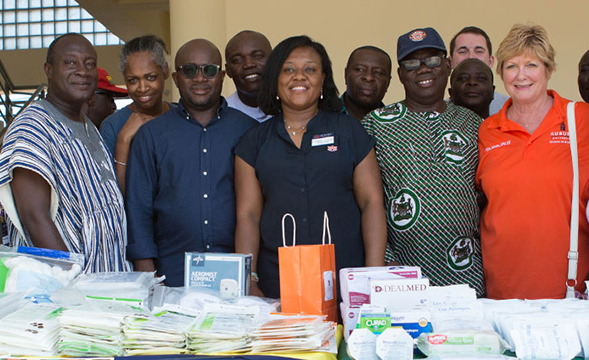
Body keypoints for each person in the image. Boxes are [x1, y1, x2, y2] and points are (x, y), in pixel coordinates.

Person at [234, 35, 387, 298]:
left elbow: (372, 203)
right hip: (277, 283)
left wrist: (372, 277)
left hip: (345, 283)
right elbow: (248, 215)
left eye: (310, 69)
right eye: (289, 69)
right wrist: (249, 279)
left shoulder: (350, 132)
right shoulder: (253, 142)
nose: (299, 77)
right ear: (275, 79)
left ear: (323, 79)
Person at [362, 27, 485, 297]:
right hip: (402, 273)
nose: (423, 69)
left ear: (448, 65)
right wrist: (385, 261)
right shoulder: (374, 124)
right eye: (412, 63)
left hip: (468, 272)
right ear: (400, 74)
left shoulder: (474, 124)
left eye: (432, 60)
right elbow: (365, 201)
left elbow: (488, 198)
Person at [126, 39, 257, 286]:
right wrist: (149, 278)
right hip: (172, 275)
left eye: (209, 70)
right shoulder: (151, 135)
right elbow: (138, 209)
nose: (200, 78)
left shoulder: (249, 131)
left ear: (222, 76)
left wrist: (253, 277)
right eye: (189, 70)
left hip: (237, 274)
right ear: (175, 78)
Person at [0, 33, 130, 273]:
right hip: (66, 292)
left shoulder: (88, 126)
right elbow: (34, 217)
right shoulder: (33, 127)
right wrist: (72, 283)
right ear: (49, 70)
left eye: (90, 64)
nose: (82, 71)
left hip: (105, 285)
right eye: (70, 62)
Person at [476, 24, 589, 299]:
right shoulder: (488, 130)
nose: (521, 75)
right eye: (511, 66)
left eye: (531, 65)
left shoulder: (581, 119)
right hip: (500, 292)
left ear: (549, 70)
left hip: (568, 292)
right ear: (500, 72)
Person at [100, 35, 173, 195]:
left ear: (165, 71)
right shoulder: (113, 126)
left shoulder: (181, 115)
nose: (142, 87)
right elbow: (113, 198)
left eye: (151, 77)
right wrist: (124, 140)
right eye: (133, 80)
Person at [449, 26, 508, 116]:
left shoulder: (509, 109)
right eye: (462, 52)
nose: (471, 57)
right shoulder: (440, 114)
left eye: (479, 51)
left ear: (491, 61)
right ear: (450, 62)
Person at [225, 30, 272, 122]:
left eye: (258, 56)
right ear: (228, 71)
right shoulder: (222, 116)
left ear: (274, 60)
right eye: (237, 60)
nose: (249, 64)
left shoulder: (293, 109)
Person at [342, 46, 392, 120]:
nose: (369, 78)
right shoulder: (321, 116)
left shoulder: (397, 126)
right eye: (360, 69)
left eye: (379, 72)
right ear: (346, 74)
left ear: (388, 82)